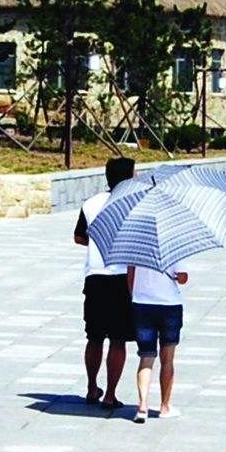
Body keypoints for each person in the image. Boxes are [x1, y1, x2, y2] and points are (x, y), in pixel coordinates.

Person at [73, 154, 139, 408]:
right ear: (128, 177)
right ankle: (110, 394)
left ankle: (91, 388)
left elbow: (79, 237)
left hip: (95, 276)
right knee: (118, 339)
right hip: (121, 277)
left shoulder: (91, 203)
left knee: (94, 336)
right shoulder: (134, 204)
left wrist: (98, 243)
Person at [127, 242, 190, 422]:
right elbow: (183, 277)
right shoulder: (175, 244)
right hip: (169, 305)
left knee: (146, 358)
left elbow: (130, 276)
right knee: (167, 359)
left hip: (142, 304)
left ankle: (142, 407)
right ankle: (164, 406)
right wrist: (178, 278)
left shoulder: (136, 244)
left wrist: (135, 296)